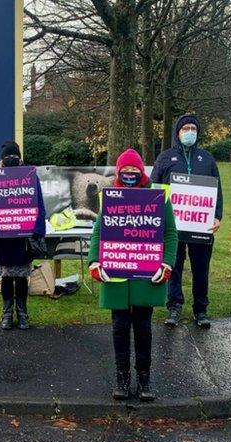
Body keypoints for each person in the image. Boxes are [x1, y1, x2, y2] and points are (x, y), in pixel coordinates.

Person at [87, 149, 176, 401]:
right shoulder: (111, 197)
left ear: (142, 172)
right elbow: (99, 231)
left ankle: (145, 378)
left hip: (146, 274)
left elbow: (170, 233)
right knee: (119, 327)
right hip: (116, 275)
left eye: (134, 172)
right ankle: (122, 378)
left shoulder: (159, 196)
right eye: (125, 172)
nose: (129, 176)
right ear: (118, 172)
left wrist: (167, 264)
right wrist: (94, 261)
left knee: (144, 327)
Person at [150, 114, 223, 328]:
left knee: (201, 268)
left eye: (193, 128)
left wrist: (217, 216)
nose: (189, 132)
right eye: (185, 128)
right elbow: (155, 188)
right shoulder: (165, 158)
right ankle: (174, 307)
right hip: (173, 227)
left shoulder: (207, 158)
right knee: (174, 266)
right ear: (178, 132)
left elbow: (218, 190)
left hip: (201, 225)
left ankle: (201, 309)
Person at [0, 140, 47, 330]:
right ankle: (7, 313)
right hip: (2, 236)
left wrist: (38, 229)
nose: (12, 159)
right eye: (8, 156)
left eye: (14, 156)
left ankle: (23, 312)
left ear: (20, 157)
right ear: (2, 159)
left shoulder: (30, 176)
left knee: (21, 277)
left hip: (23, 236)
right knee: (6, 277)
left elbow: (39, 203)